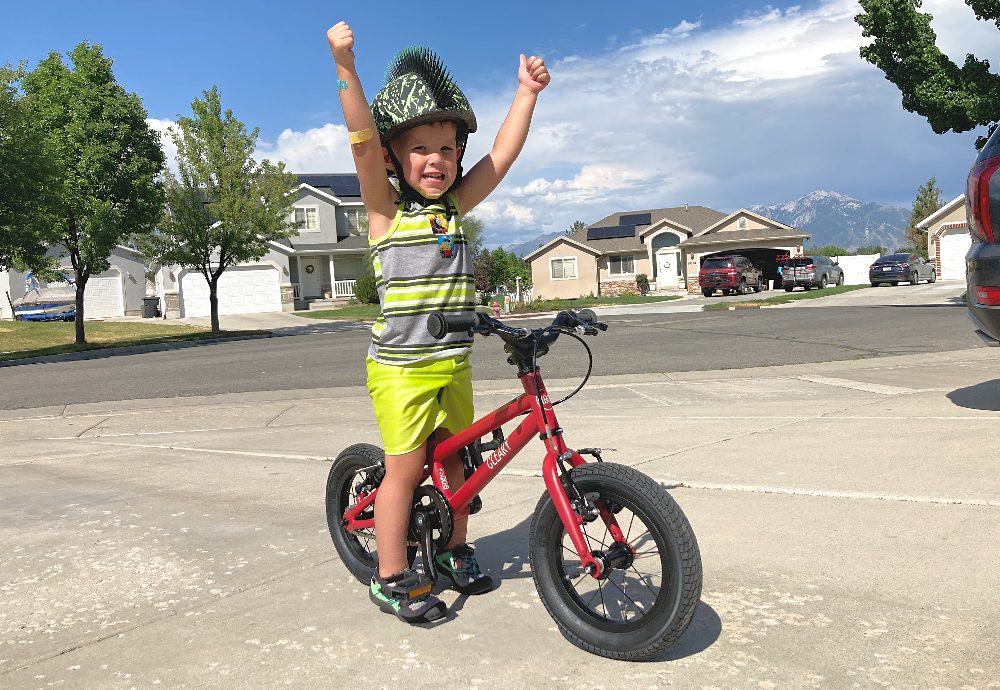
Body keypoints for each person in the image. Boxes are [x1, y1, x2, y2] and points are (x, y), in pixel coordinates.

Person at [326, 21, 550, 624]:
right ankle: (391, 575)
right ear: (399, 155)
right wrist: (345, 63)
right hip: (401, 370)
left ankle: (451, 553)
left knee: (457, 468)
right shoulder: (385, 212)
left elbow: (499, 159)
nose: (438, 160)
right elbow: (362, 143)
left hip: (451, 366)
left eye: (448, 149)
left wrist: (525, 94)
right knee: (404, 471)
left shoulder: (454, 206)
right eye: (422, 148)